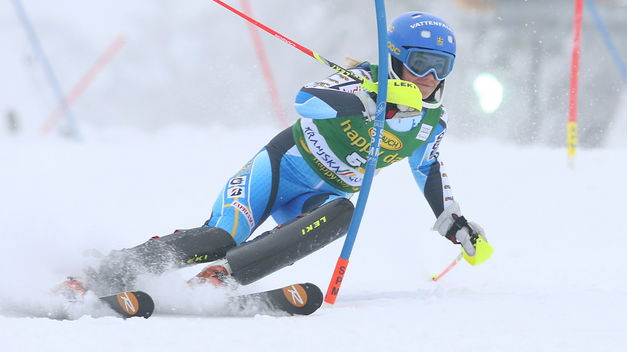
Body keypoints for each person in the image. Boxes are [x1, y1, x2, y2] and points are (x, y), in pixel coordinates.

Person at [76, 12, 491, 296]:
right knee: (224, 235)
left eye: (442, 67)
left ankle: (223, 278)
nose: (429, 79)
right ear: (396, 58)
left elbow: (429, 168)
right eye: (420, 63)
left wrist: (454, 225)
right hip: (278, 170)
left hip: (316, 198)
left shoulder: (431, 122)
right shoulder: (364, 80)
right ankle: (106, 271)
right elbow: (306, 99)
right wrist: (370, 101)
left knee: (343, 214)